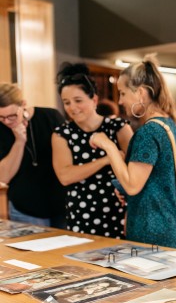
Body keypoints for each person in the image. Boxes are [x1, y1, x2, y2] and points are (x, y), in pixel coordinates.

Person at [89, 54, 176, 249]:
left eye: (123, 93)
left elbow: (133, 186)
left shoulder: (148, 132)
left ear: (141, 93)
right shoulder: (171, 125)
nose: (120, 101)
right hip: (169, 223)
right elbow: (167, 176)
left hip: (149, 227)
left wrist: (108, 146)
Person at [52, 63, 133, 239]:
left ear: (94, 100)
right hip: (81, 214)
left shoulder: (118, 127)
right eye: (66, 102)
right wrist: (106, 159)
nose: (72, 107)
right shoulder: (62, 134)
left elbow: (135, 170)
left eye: (78, 100)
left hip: (119, 212)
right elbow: (65, 176)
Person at [0, 83, 66, 228]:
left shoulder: (50, 116)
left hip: (61, 204)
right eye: (1, 117)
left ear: (23, 104)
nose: (6, 121)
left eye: (11, 116)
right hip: (24, 208)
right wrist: (19, 142)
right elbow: (3, 177)